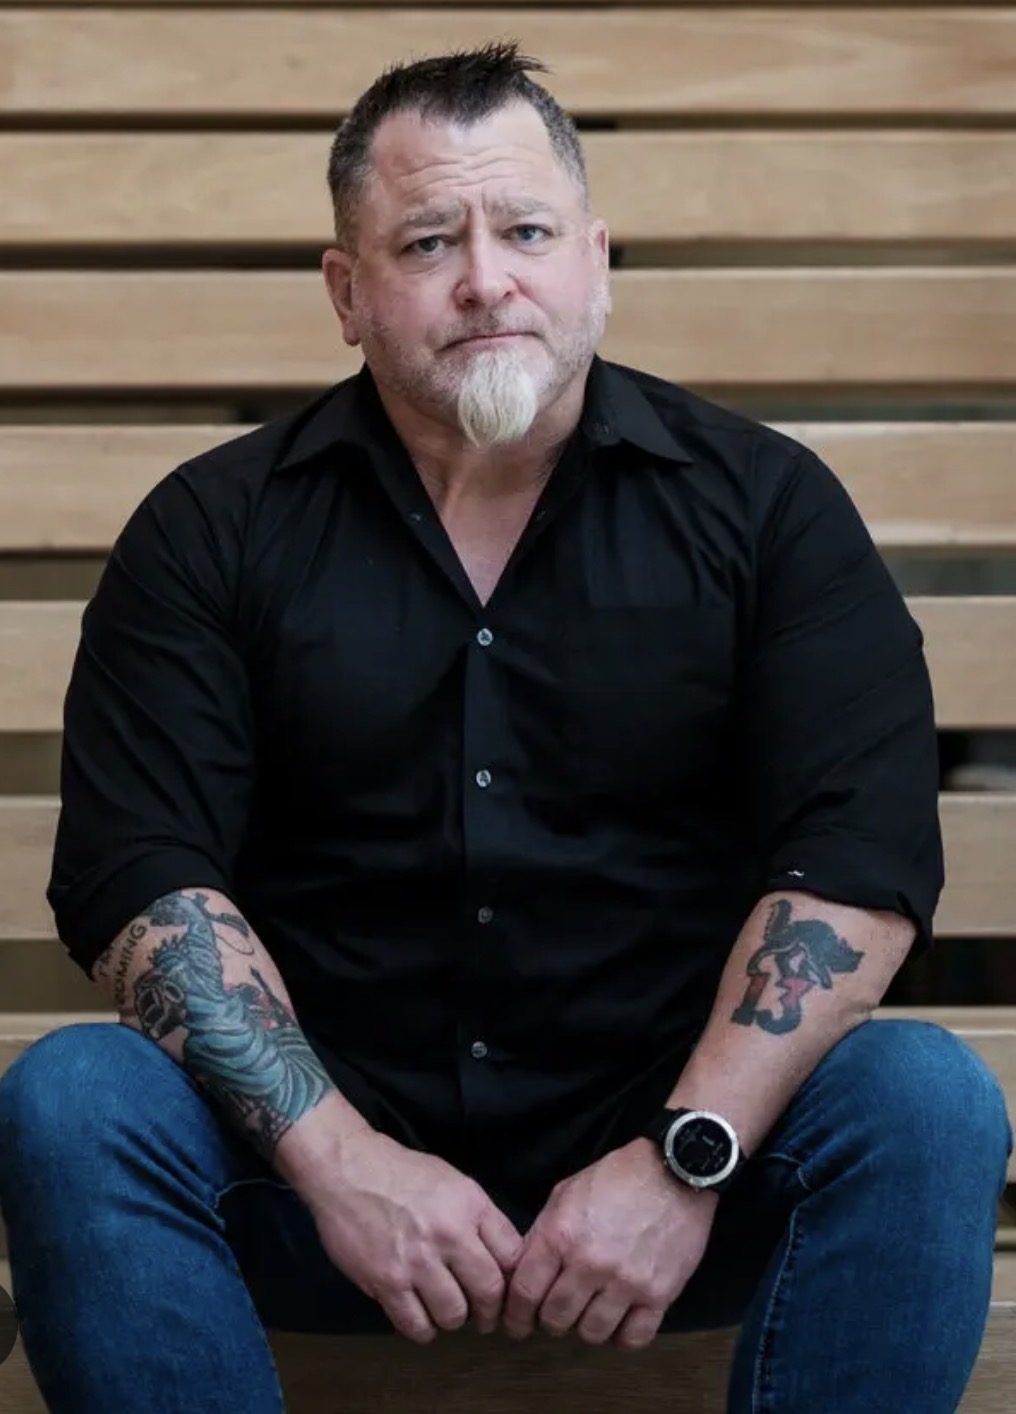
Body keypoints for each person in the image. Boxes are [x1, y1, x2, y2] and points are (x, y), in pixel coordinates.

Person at [0, 41, 1011, 1414]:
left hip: (685, 1191)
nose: (487, 278)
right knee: (75, 1097)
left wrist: (685, 1157)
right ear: (347, 293)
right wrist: (343, 1162)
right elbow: (140, 874)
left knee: (925, 1097)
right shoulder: (209, 532)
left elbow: (858, 853)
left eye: (526, 231)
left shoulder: (768, 510)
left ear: (595, 262)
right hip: (312, 1194)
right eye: (430, 241)